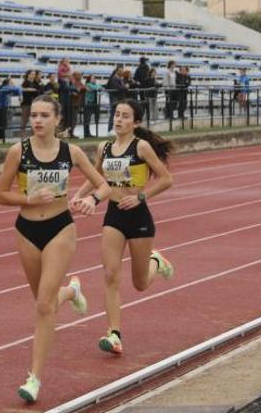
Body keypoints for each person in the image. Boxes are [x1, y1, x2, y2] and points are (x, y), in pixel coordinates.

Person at [0, 95, 110, 403]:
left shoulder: (70, 152)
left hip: (60, 227)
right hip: (27, 231)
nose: (37, 120)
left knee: (44, 307)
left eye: (45, 115)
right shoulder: (18, 152)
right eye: (34, 115)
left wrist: (91, 200)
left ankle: (34, 379)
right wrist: (28, 200)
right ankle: (71, 291)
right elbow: (1, 195)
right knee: (44, 301)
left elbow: (104, 185)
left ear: (58, 120)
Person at [73, 99, 175, 355]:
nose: (118, 119)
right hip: (114, 216)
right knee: (110, 274)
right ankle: (114, 333)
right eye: (116, 115)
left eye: (125, 116)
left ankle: (156, 261)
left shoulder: (141, 147)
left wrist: (141, 196)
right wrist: (77, 197)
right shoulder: (104, 148)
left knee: (140, 283)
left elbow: (166, 179)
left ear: (136, 122)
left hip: (139, 217)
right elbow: (96, 177)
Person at [0, 77, 22, 141]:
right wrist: (20, 94)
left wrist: (19, 94)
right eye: (11, 82)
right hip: (1, 107)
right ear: (7, 83)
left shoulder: (8, 88)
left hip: (5, 107)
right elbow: (18, 89)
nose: (13, 83)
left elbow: (17, 90)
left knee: (3, 123)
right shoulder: (4, 88)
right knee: (2, 123)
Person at [20, 70, 40, 138]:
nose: (33, 75)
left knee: (34, 120)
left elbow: (38, 90)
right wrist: (29, 89)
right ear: (28, 75)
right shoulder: (25, 82)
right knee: (24, 120)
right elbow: (22, 89)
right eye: (31, 74)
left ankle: (33, 135)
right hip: (26, 103)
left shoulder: (35, 82)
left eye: (34, 74)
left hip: (34, 104)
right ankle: (22, 136)